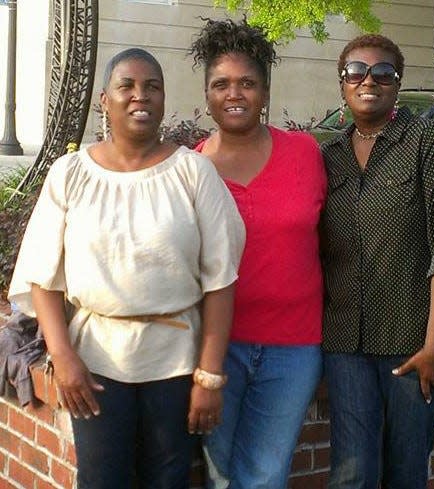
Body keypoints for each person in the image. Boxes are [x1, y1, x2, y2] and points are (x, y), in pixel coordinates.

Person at [8, 48, 245, 489]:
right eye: (128, 86)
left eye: (152, 87)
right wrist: (63, 357)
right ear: (104, 100)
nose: (141, 96)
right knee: (101, 480)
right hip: (95, 364)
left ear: (163, 98)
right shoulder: (70, 174)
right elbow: (42, 276)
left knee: (168, 479)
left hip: (174, 362)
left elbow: (221, 280)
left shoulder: (193, 174)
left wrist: (209, 376)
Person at [189, 18, 327, 489]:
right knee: (221, 474)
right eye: (221, 84)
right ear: (207, 95)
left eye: (247, 83)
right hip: (216, 348)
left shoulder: (306, 153)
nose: (234, 94)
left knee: (265, 475)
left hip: (294, 347)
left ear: (265, 92)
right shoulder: (190, 170)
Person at [320, 34, 434, 489]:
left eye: (383, 73)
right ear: (342, 84)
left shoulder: (427, 141)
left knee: (404, 471)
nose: (369, 81)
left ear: (397, 84)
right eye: (356, 72)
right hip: (345, 344)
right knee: (350, 474)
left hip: (414, 343)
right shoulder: (329, 157)